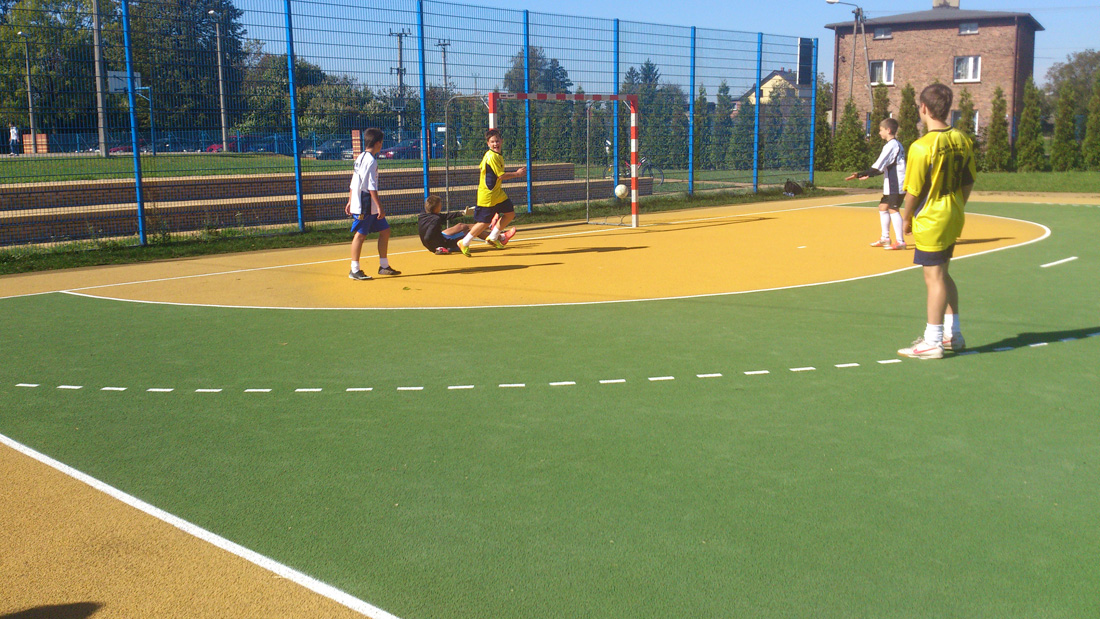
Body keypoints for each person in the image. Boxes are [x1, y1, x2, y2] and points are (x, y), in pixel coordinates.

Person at [897, 84, 975, 360]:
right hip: (953, 213)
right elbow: (968, 180)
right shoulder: (962, 139)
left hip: (931, 218)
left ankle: (933, 340)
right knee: (944, 273)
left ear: (924, 108)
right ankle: (954, 334)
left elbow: (913, 191)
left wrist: (906, 218)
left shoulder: (921, 147)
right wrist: (958, 206)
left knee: (934, 278)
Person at [457, 128, 526, 256]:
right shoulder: (491, 156)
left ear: (501, 141)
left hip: (497, 193)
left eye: (497, 141)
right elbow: (501, 176)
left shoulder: (496, 155)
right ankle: (464, 242)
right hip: (488, 195)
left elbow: (488, 172)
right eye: (492, 142)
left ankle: (493, 237)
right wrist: (517, 174)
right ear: (488, 144)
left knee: (510, 213)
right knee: (484, 222)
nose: (495, 144)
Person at [344, 127, 400, 280]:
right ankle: (354, 270)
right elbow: (371, 186)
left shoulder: (360, 157)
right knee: (360, 235)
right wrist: (380, 206)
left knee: (385, 230)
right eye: (381, 142)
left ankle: (384, 266)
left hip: (366, 203)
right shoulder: (371, 161)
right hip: (365, 204)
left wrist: (350, 200)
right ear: (377, 143)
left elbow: (354, 181)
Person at [845, 117, 907, 250]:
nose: (879, 133)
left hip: (897, 183)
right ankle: (885, 238)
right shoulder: (896, 144)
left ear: (888, 130)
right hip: (891, 183)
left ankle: (900, 241)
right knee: (883, 207)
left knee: (893, 209)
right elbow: (884, 166)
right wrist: (868, 174)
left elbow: (878, 165)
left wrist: (860, 174)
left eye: (881, 130)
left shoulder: (891, 145)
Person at [418, 195, 516, 254]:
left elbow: (445, 216)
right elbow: (427, 237)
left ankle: (492, 231)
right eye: (440, 205)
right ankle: (501, 238)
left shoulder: (424, 215)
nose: (441, 206)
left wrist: (462, 213)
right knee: (471, 231)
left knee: (461, 225)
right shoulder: (435, 220)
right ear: (436, 208)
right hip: (444, 244)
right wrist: (435, 249)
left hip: (440, 237)